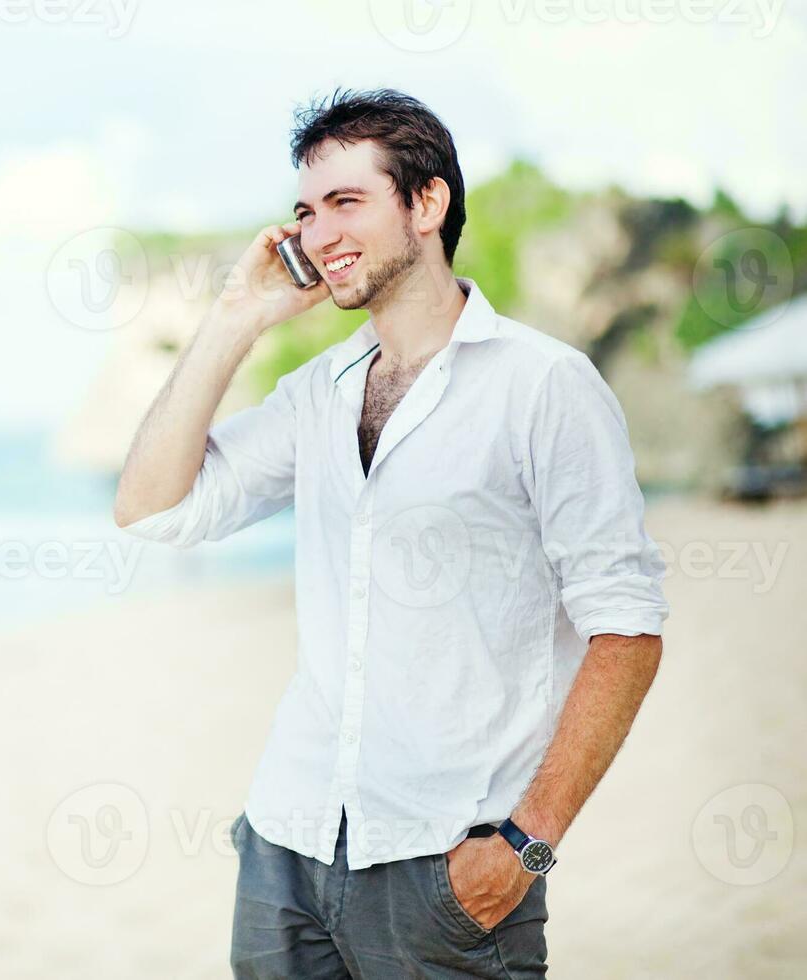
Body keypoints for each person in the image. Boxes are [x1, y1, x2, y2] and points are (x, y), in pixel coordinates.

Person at [113, 88, 669, 978]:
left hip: (449, 864)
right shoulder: (317, 393)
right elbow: (151, 506)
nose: (317, 232)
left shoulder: (543, 386)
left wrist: (527, 845)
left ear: (427, 204)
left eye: (346, 202)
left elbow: (628, 629)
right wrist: (235, 322)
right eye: (304, 210)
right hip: (285, 846)